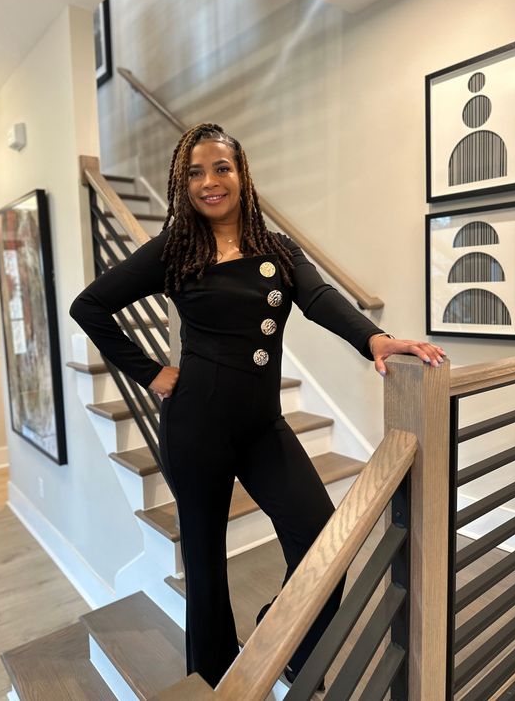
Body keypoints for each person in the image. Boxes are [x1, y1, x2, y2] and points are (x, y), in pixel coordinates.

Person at [69, 122, 445, 689]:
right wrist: (151, 373)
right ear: (182, 183)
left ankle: (289, 642)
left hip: (261, 424)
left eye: (221, 167)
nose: (209, 181)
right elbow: (90, 306)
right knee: (205, 562)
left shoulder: (276, 247)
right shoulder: (174, 249)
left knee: (321, 534)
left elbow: (319, 299)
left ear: (242, 174)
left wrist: (375, 338)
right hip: (196, 425)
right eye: (195, 172)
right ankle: (217, 682)